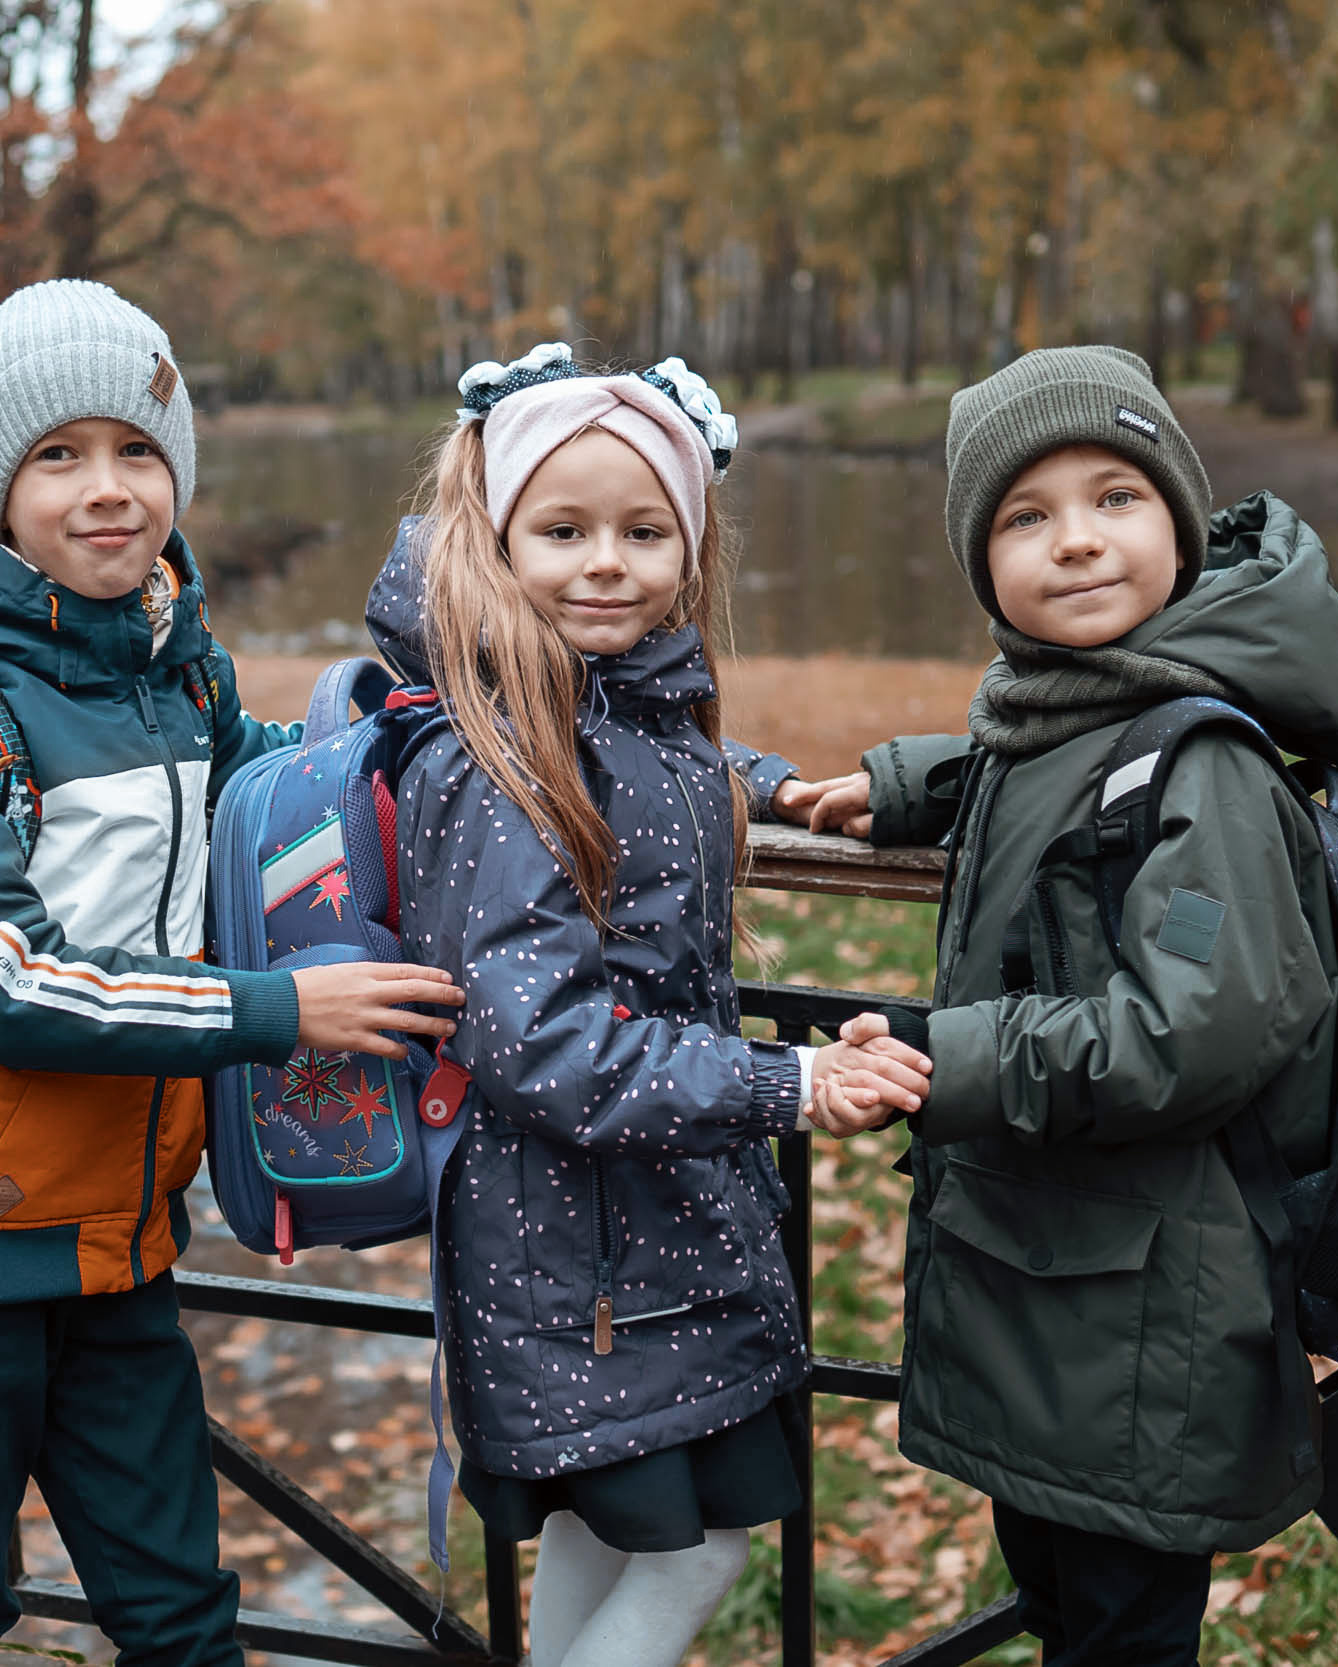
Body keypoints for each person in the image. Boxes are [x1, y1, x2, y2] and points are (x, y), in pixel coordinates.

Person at [0, 278, 464, 1667]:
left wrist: (423, 733)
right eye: (59, 455)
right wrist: (278, 1011)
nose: (108, 490)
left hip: (121, 1236)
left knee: (179, 1611)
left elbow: (278, 800)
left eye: (140, 450)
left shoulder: (178, 673)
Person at [800, 346, 1338, 1666]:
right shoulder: (1067, 709)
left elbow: (1196, 1028)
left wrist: (952, 1057)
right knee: (1067, 1612)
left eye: (1115, 497)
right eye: (1025, 515)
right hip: (1061, 1303)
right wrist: (917, 785)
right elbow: (1045, 760)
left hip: (1139, 1327)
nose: (1075, 542)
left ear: (1176, 519)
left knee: (1119, 1638)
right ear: (981, 561)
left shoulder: (1208, 765)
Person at [368, 343, 928, 1667]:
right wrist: (788, 1085)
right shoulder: (491, 752)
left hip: (629, 1234)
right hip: (582, 1241)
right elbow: (540, 1038)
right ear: (494, 539)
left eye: (643, 530)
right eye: (562, 531)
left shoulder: (601, 698)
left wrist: (779, 784)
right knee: (694, 1548)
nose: (606, 563)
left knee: (612, 1528)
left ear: (693, 545)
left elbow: (656, 755)